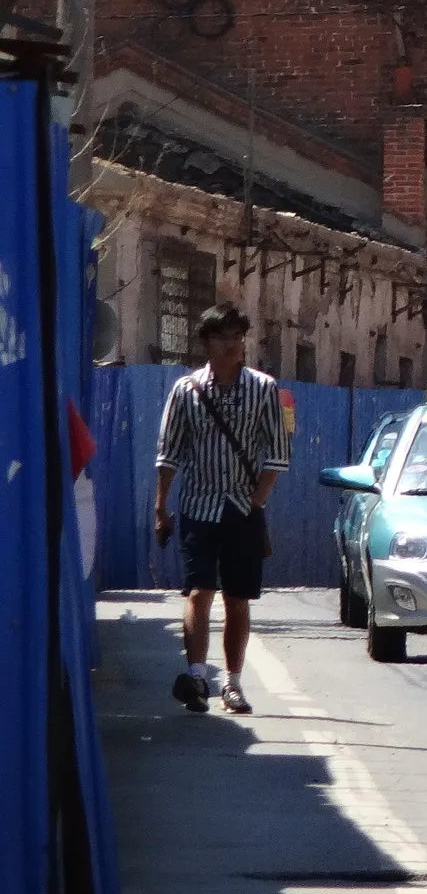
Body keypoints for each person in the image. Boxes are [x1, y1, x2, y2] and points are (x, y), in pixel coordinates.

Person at [154, 303, 289, 713]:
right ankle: (197, 676)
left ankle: (232, 683)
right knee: (199, 591)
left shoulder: (264, 389)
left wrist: (256, 500)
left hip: (242, 510)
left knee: (237, 598)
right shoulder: (186, 391)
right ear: (206, 343)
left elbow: (278, 454)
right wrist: (161, 508)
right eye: (221, 337)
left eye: (237, 337)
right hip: (198, 506)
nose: (231, 345)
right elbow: (168, 454)